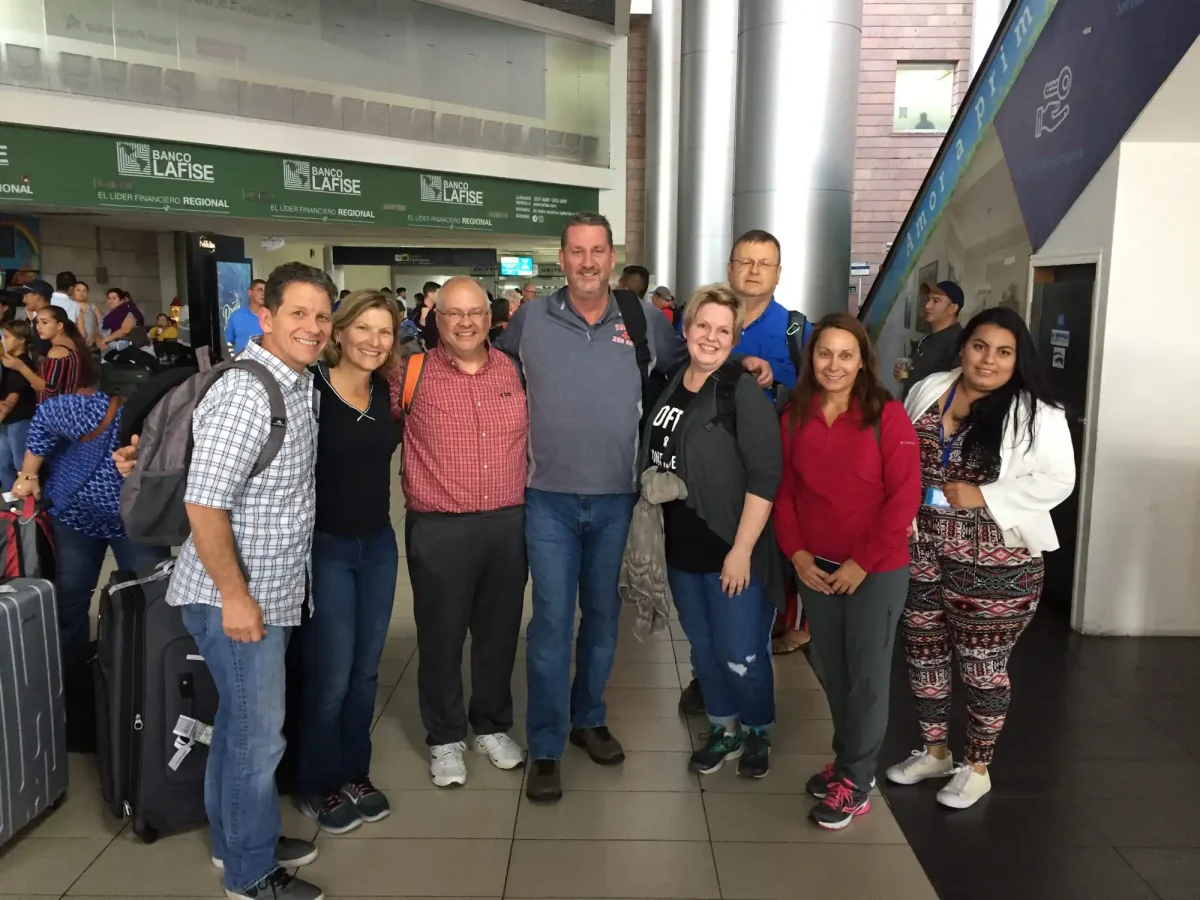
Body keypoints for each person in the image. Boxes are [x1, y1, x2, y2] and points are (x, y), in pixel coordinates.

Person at [494, 212, 773, 803]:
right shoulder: (530, 319)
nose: (588, 262)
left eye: (598, 251)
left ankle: (587, 719)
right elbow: (495, 373)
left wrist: (743, 365)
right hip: (546, 498)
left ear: (613, 257)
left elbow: (692, 368)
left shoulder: (642, 319)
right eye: (577, 252)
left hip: (620, 500)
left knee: (601, 619)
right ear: (562, 258)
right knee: (549, 623)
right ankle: (545, 745)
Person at [164, 262, 332, 900]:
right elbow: (204, 505)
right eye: (298, 313)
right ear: (266, 316)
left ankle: (234, 838)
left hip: (272, 592)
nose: (311, 327)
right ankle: (250, 873)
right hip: (235, 599)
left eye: (321, 316)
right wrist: (236, 598)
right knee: (258, 740)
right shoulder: (246, 391)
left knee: (240, 728)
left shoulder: (296, 383)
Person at [887, 306, 1074, 810]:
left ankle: (976, 765)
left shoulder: (1038, 411)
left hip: (995, 559)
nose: (988, 360)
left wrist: (985, 496)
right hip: (921, 544)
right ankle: (934, 751)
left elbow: (1060, 480)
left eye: (1003, 352)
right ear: (963, 346)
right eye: (979, 346)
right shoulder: (930, 389)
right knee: (923, 653)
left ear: (1018, 359)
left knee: (981, 665)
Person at [629, 284, 784, 779]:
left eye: (723, 330)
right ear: (687, 327)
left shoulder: (740, 389)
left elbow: (765, 474)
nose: (711, 337)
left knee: (741, 652)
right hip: (681, 547)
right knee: (703, 647)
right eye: (703, 326)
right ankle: (725, 728)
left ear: (735, 337)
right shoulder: (673, 380)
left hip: (730, 548)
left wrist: (741, 550)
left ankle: (757, 728)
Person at [774, 313, 921, 829]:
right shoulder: (796, 415)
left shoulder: (888, 415)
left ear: (862, 361)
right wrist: (797, 555)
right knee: (835, 674)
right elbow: (786, 491)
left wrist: (863, 562)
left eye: (845, 355)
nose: (833, 364)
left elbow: (903, 500)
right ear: (811, 358)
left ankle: (857, 780)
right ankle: (847, 761)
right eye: (824, 353)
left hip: (874, 572)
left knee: (866, 677)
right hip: (817, 569)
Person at [391, 277, 528, 787]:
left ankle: (490, 725)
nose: (466, 322)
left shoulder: (514, 370)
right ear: (437, 319)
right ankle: (445, 737)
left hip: (507, 524)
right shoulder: (411, 373)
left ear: (490, 317)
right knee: (441, 637)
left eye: (475, 312)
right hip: (439, 528)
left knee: (497, 635)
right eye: (454, 313)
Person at [679, 228, 800, 715]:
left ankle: (751, 705)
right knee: (706, 616)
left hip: (766, 490)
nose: (753, 270)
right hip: (704, 500)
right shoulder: (704, 324)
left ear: (777, 272)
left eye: (764, 263)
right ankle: (714, 689)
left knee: (748, 606)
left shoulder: (796, 331)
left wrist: (774, 385)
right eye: (744, 261)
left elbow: (816, 400)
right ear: (729, 267)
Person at [296, 290, 401, 834]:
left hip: (378, 546)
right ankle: (315, 782)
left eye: (384, 332)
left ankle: (353, 773)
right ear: (338, 331)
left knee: (365, 673)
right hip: (328, 546)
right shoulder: (309, 389)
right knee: (331, 676)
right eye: (363, 328)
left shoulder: (385, 390)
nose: (373, 341)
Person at [3, 306, 97, 402]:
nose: (38, 327)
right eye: (37, 322)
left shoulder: (57, 351)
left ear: (59, 325)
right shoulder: (72, 344)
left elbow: (49, 389)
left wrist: (20, 367)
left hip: (55, 409)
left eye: (44, 322)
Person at [895, 280, 964, 398]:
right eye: (928, 299)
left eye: (936, 301)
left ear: (953, 308)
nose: (927, 306)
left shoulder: (960, 343)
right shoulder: (927, 337)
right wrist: (905, 376)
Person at [0, 320, 38, 489]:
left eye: (7, 337)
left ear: (22, 339)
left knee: (22, 466)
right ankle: (10, 503)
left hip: (19, 420)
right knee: (3, 463)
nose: (3, 341)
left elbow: (13, 397)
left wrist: (2, 414)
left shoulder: (22, 364)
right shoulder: (9, 361)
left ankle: (26, 506)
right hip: (6, 421)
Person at [97, 288, 146, 355]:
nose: (111, 300)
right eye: (109, 298)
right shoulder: (107, 314)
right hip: (105, 348)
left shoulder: (129, 312)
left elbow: (125, 330)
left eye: (114, 298)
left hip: (124, 349)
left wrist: (105, 340)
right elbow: (99, 330)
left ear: (121, 300)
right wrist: (98, 341)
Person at [225, 278, 267, 354]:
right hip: (241, 363)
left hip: (265, 363)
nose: (263, 294)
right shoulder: (236, 316)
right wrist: (232, 357)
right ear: (250, 292)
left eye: (265, 291)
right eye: (259, 290)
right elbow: (229, 341)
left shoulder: (271, 316)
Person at [71, 280, 101, 348]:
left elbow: (101, 323)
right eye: (78, 290)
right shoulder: (69, 306)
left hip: (92, 345)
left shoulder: (93, 307)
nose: (81, 293)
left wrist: (96, 336)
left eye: (84, 291)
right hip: (73, 345)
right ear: (73, 291)